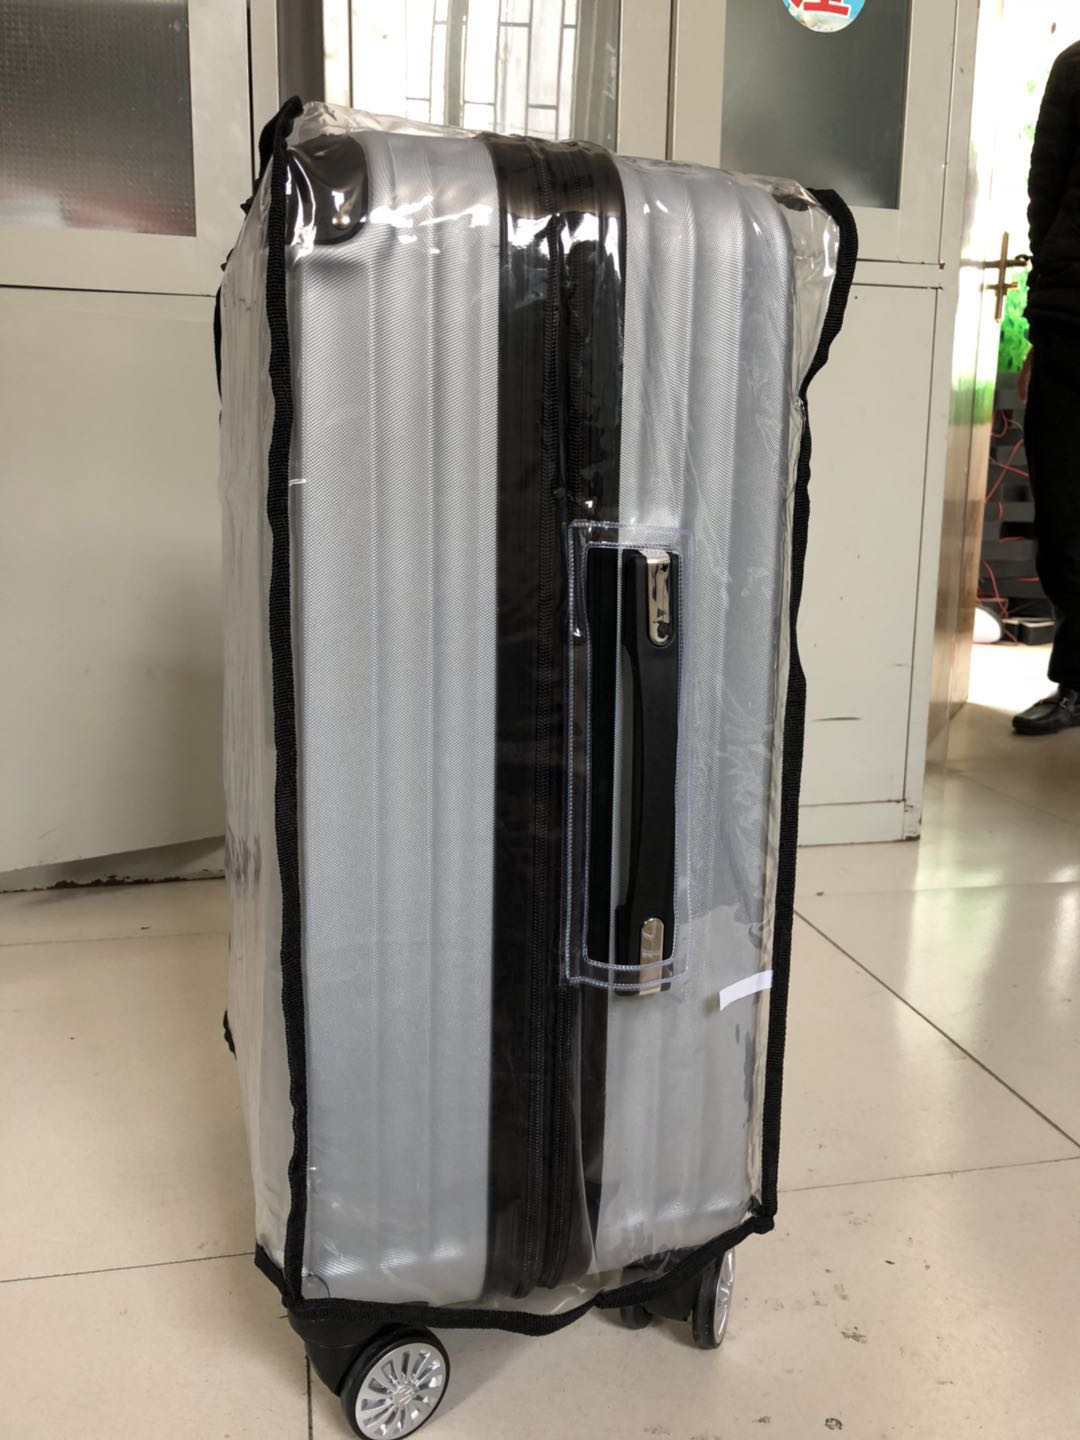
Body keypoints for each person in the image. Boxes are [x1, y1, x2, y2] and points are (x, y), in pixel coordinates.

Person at [1013, 41, 1080, 735]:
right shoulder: (1077, 67)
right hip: (1071, 324)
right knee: (1064, 520)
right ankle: (1076, 683)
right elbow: (1045, 189)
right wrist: (1042, 321)